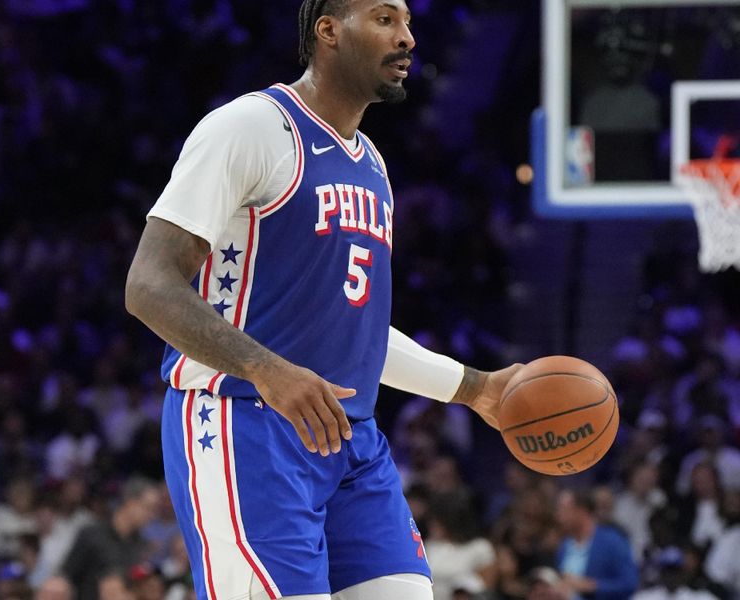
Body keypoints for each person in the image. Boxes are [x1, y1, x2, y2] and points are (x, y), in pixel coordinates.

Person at [124, 1, 521, 599]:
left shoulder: (374, 167)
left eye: (408, 22)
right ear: (328, 31)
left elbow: (355, 332)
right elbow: (148, 285)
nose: (408, 38)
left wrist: (475, 389)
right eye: (385, 19)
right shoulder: (250, 127)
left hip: (350, 438)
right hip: (246, 426)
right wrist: (266, 369)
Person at [61, 477, 161, 600]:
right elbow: (65, 578)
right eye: (148, 508)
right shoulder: (91, 535)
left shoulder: (141, 545)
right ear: (130, 502)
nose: (151, 516)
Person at [555, 488, 639, 600]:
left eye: (564, 509)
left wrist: (592, 586)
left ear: (582, 510)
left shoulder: (612, 541)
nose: (558, 515)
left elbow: (629, 584)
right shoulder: (564, 546)